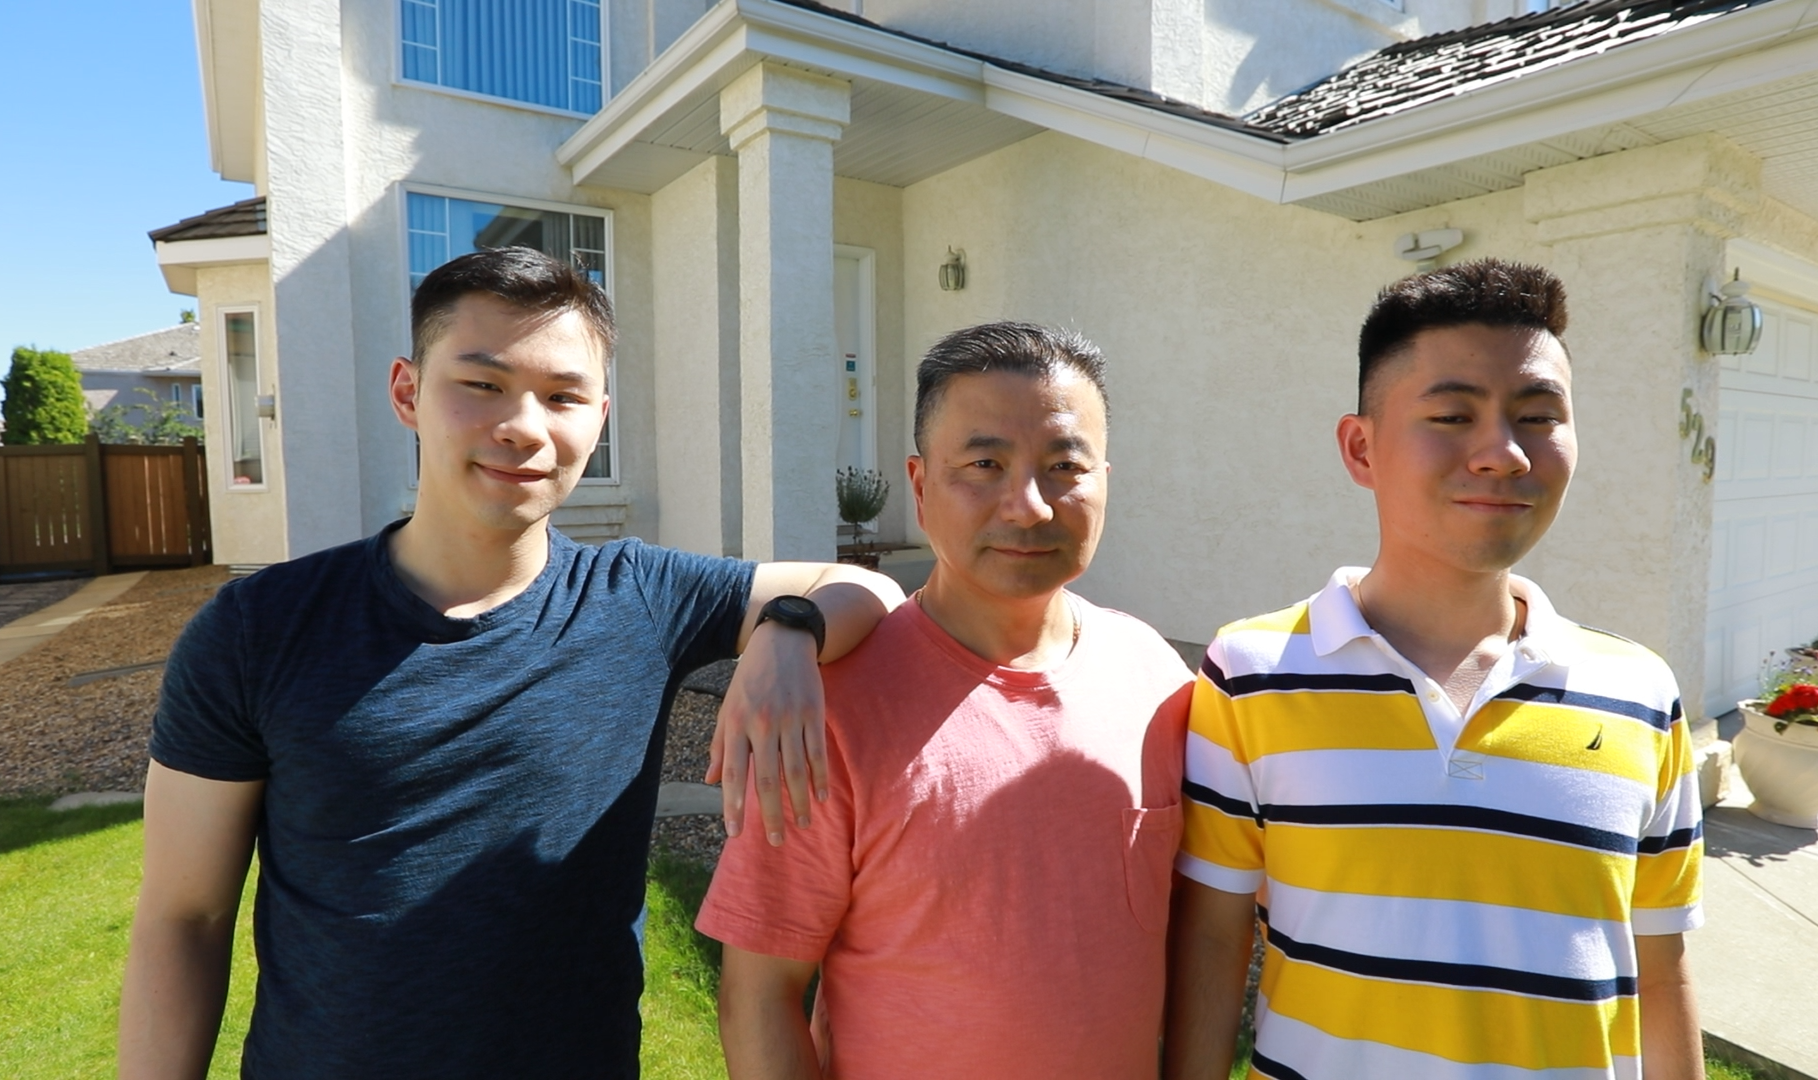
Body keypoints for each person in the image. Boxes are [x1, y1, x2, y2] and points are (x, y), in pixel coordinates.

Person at [118, 247, 905, 1079]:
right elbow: (184, 917)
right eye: (482, 384)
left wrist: (788, 630)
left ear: (599, 419)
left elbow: (862, 589)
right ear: (408, 393)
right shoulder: (259, 630)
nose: (524, 427)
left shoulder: (641, 598)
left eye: (562, 396)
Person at [1166, 259, 1705, 1079]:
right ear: (1361, 447)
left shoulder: (1641, 694)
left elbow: (1660, 972)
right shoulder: (1252, 674)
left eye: (1537, 416)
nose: (1503, 454)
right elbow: (1212, 938)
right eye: (1453, 414)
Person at [696, 322, 1194, 1079]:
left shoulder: (1158, 679)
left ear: (1105, 482)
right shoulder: (827, 705)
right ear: (922, 487)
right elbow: (761, 995)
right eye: (984, 464)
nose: (1028, 505)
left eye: (1064, 465)